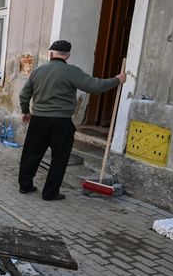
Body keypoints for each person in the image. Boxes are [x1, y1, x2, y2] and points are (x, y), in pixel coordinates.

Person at [18, 40, 126, 201]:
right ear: (67, 55)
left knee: (31, 154)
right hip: (61, 122)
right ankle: (50, 193)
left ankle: (25, 186)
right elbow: (95, 86)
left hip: (39, 120)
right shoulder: (72, 72)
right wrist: (117, 80)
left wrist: (26, 111)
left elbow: (24, 95)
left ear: (50, 54)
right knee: (59, 159)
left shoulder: (38, 71)